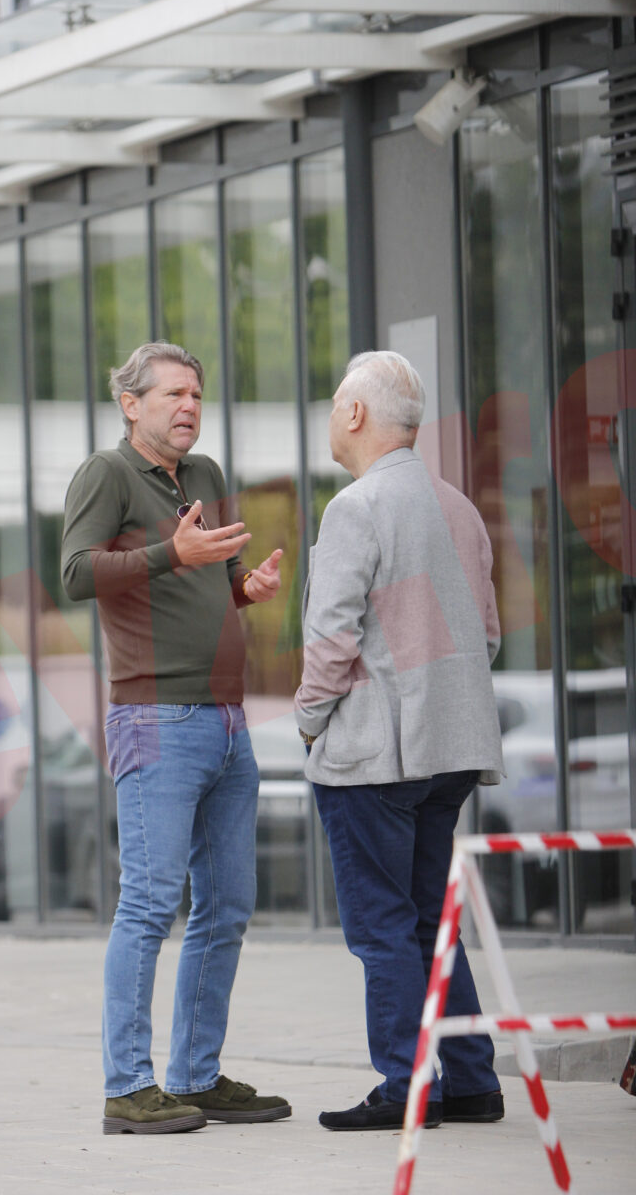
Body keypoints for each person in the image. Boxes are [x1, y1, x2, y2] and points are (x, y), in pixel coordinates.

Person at [62, 341, 291, 1135]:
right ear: (132, 404)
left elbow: (206, 577)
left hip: (228, 720)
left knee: (227, 904)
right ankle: (128, 1088)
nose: (190, 405)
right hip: (155, 719)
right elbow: (75, 573)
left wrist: (242, 589)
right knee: (151, 903)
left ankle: (195, 1075)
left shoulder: (207, 477)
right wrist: (170, 552)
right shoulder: (107, 474)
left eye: (197, 393)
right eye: (173, 394)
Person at [294, 350, 505, 1131]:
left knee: (382, 925)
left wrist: (312, 720)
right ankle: (473, 1081)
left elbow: (330, 641)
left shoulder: (356, 507)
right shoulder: (457, 506)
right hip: (450, 750)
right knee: (426, 920)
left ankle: (404, 1087)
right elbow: (483, 635)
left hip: (375, 758)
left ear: (354, 414)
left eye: (334, 403)